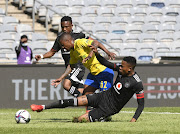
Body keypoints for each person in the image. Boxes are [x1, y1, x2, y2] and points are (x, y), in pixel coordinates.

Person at [31, 47, 144, 122]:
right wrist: (97, 53)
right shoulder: (121, 70)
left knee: (80, 120)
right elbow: (105, 63)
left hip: (109, 108)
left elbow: (141, 105)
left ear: (129, 69)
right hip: (102, 96)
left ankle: (103, 117)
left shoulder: (137, 83)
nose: (120, 67)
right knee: (74, 101)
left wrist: (133, 120)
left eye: (122, 66)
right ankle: (42, 107)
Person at [35, 16, 113, 97]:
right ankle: (84, 100)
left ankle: (83, 100)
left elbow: (93, 42)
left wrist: (95, 52)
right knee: (81, 90)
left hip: (78, 66)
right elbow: (52, 52)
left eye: (66, 27)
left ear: (71, 26)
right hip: (70, 66)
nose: (64, 29)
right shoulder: (60, 39)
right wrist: (41, 56)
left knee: (66, 84)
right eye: (62, 27)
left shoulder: (79, 37)